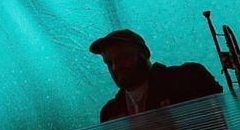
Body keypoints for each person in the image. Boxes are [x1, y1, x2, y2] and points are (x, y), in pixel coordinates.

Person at [91, 29, 222, 122]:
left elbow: (219, 118)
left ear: (144, 54)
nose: (115, 67)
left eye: (123, 57)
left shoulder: (188, 77)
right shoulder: (109, 112)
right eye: (109, 63)